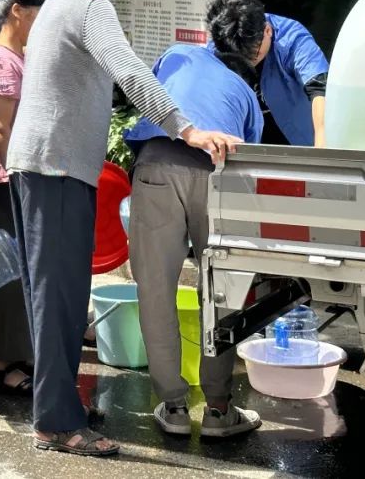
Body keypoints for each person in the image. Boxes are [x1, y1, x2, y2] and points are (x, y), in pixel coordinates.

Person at [5, 0, 240, 457]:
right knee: (59, 298)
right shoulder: (88, 4)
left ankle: (57, 408)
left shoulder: (58, 4)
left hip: (47, 165)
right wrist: (187, 129)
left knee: (58, 295)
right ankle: (56, 423)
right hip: (55, 167)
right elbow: (130, 73)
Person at [124, 31, 264, 439]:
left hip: (156, 166)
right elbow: (247, 159)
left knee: (155, 290)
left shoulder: (177, 54)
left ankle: (174, 408)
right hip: (216, 179)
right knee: (219, 292)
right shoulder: (247, 96)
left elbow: (150, 97)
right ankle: (219, 410)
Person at [0, 0, 49, 397]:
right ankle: (2, 368)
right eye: (39, 15)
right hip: (4, 181)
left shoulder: (13, 56)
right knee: (7, 277)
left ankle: (16, 358)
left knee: (19, 274)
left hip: (11, 178)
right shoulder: (1, 61)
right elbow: (0, 130)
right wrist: (21, 178)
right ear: (17, 11)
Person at [206, 0, 329, 148]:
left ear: (268, 30)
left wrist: (321, 151)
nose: (247, 63)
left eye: (253, 55)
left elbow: (319, 89)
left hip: (297, 139)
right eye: (239, 58)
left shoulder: (293, 38)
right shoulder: (222, 44)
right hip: (242, 140)